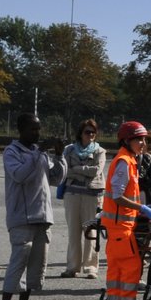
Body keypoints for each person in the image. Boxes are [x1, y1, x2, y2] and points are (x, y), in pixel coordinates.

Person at [0, 113, 65, 300]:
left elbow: (55, 179)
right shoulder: (12, 152)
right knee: (18, 262)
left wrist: (59, 156)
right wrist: (40, 154)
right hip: (22, 217)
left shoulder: (39, 152)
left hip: (43, 216)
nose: (37, 133)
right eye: (33, 129)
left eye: (38, 129)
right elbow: (20, 175)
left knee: (36, 265)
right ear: (21, 130)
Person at [101, 121, 151, 300]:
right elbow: (118, 196)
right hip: (122, 227)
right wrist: (142, 208)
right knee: (131, 268)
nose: (143, 143)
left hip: (117, 226)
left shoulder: (127, 160)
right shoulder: (125, 162)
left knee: (116, 270)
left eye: (144, 139)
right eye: (139, 139)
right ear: (127, 141)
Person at [58, 119, 107, 278]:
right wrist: (81, 170)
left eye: (93, 132)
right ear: (80, 133)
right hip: (72, 194)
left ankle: (91, 267)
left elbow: (96, 171)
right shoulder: (69, 150)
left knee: (91, 231)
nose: (91, 135)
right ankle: (72, 267)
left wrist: (76, 169)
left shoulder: (100, 151)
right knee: (73, 231)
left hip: (92, 195)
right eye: (87, 132)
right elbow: (65, 171)